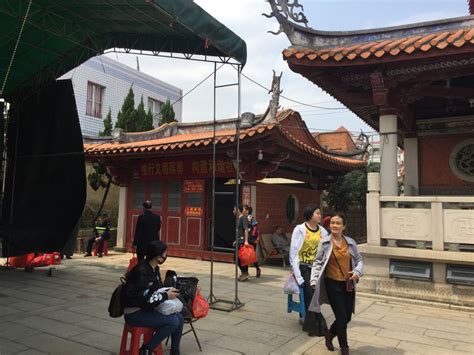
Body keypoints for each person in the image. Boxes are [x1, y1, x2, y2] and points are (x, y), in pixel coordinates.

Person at [309, 214, 363, 355]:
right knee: (341, 317)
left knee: (347, 317)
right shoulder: (325, 243)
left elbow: (359, 260)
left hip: (348, 284)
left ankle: (330, 334)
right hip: (332, 284)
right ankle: (344, 348)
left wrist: (357, 271)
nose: (334, 225)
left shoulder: (351, 243)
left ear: (343, 226)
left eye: (338, 223)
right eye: (332, 223)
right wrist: (314, 280)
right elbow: (318, 262)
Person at [123, 240, 183, 355]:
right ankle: (146, 349)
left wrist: (167, 291)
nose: (166, 256)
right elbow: (144, 300)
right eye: (165, 254)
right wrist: (165, 295)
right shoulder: (142, 271)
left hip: (146, 308)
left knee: (179, 317)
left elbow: (156, 289)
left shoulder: (154, 269)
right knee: (173, 322)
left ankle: (175, 351)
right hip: (135, 313)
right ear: (157, 256)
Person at [289, 204, 328, 320]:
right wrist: (298, 275)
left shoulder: (322, 231)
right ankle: (309, 319)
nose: (320, 215)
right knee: (309, 291)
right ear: (310, 215)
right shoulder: (300, 230)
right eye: (317, 213)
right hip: (303, 266)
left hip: (316, 267)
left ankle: (309, 315)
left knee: (317, 292)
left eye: (320, 213)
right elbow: (293, 253)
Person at [243, 205, 262, 278]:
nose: (243, 210)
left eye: (244, 209)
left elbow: (251, 229)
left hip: (252, 240)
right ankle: (246, 272)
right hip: (247, 239)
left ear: (247, 211)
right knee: (245, 256)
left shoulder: (250, 218)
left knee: (251, 256)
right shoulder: (244, 218)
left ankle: (257, 269)